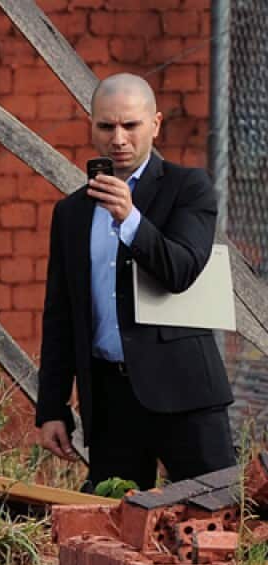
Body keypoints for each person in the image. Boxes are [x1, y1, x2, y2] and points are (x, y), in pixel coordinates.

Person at [35, 73, 234, 491]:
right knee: (114, 527)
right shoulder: (71, 213)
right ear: (91, 127)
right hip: (109, 399)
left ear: (156, 124)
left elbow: (180, 271)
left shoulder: (188, 188)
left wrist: (131, 219)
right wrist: (51, 406)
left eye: (131, 125)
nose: (118, 139)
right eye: (106, 126)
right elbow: (60, 315)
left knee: (215, 518)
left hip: (185, 394)